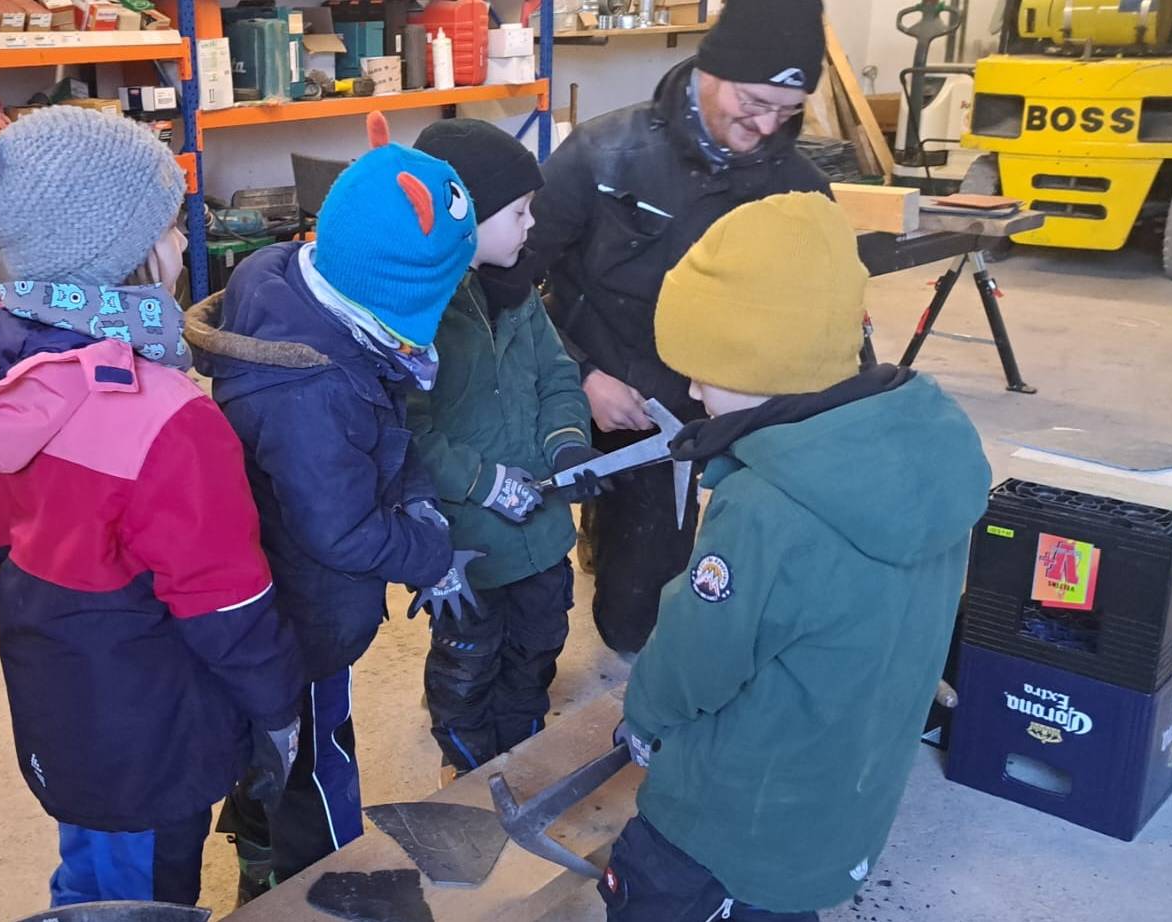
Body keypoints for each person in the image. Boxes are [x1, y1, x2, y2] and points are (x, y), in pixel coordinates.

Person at [0, 102, 303, 909]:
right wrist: (277, 708)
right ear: (116, 255)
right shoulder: (169, 419)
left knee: (90, 865)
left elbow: (4, 533)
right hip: (154, 727)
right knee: (148, 895)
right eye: (167, 227)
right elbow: (226, 601)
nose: (179, 244)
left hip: (58, 690)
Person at [599, 192, 992, 921]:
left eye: (703, 368)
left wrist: (644, 715)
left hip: (730, 823)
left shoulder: (767, 507)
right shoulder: (924, 456)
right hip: (839, 809)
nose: (688, 388)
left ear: (760, 362)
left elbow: (697, 659)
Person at [186, 113, 479, 900]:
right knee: (319, 761)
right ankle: (324, 889)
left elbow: (380, 435)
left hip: (277, 585)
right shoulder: (312, 392)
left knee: (269, 743)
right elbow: (340, 528)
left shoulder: (300, 287)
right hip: (302, 613)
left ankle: (254, 857)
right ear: (396, 290)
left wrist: (417, 502)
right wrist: (433, 554)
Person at [489, 0, 835, 659]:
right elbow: (504, 284)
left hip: (688, 409)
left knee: (637, 623)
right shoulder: (601, 155)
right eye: (755, 101)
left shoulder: (800, 188)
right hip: (582, 377)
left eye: (788, 113)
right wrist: (579, 376)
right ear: (713, 68)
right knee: (510, 551)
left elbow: (821, 326)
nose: (766, 127)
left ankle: (622, 526)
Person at [405, 119, 603, 776]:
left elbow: (556, 373)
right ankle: (465, 770)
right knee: (467, 658)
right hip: (468, 543)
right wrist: (483, 482)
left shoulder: (520, 294)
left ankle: (520, 752)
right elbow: (408, 430)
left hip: (543, 529)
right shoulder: (416, 315)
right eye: (517, 212)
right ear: (465, 217)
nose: (530, 227)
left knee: (540, 642)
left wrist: (569, 444)